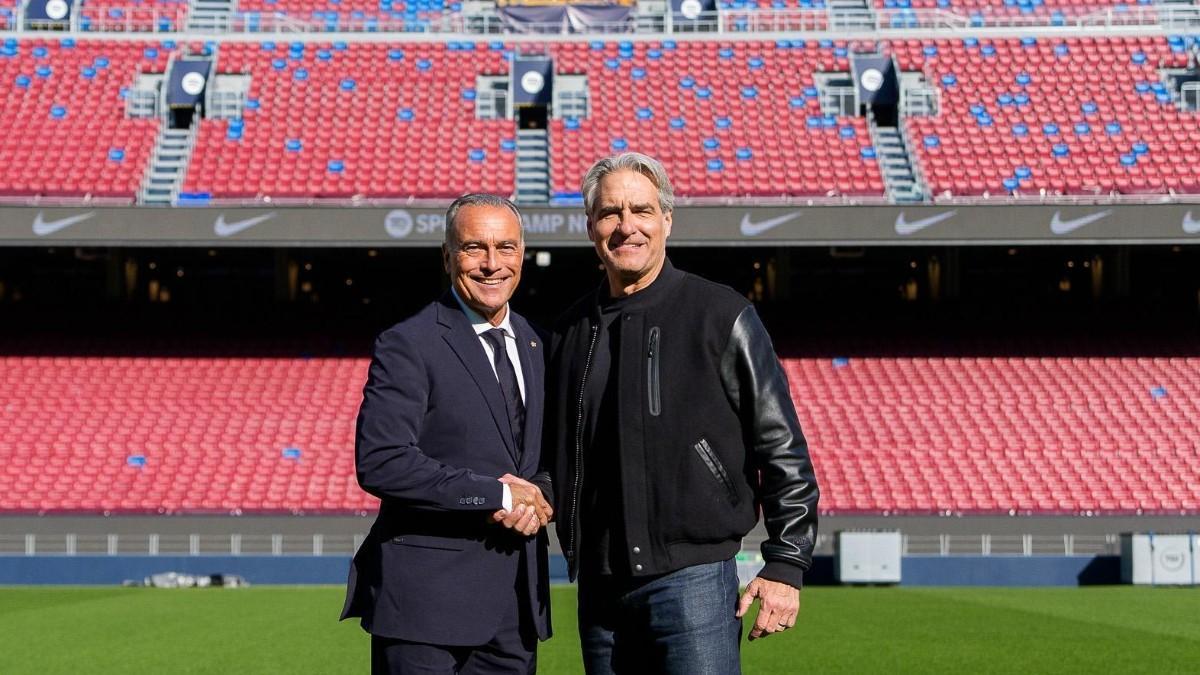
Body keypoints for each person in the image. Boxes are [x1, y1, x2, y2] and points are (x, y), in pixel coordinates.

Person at [535, 153, 820, 674]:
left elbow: (781, 444)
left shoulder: (720, 314)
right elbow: (560, 455)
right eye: (610, 213)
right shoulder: (569, 331)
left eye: (642, 210)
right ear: (590, 228)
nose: (627, 227)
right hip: (601, 592)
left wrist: (786, 561)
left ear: (667, 219)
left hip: (693, 585)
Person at [342, 194, 554, 674]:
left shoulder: (539, 342)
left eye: (506, 247)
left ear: (523, 254)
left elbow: (547, 460)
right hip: (425, 609)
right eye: (474, 248)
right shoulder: (408, 343)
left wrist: (540, 495)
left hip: (517, 607)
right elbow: (382, 460)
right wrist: (496, 495)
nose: (492, 264)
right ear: (447, 256)